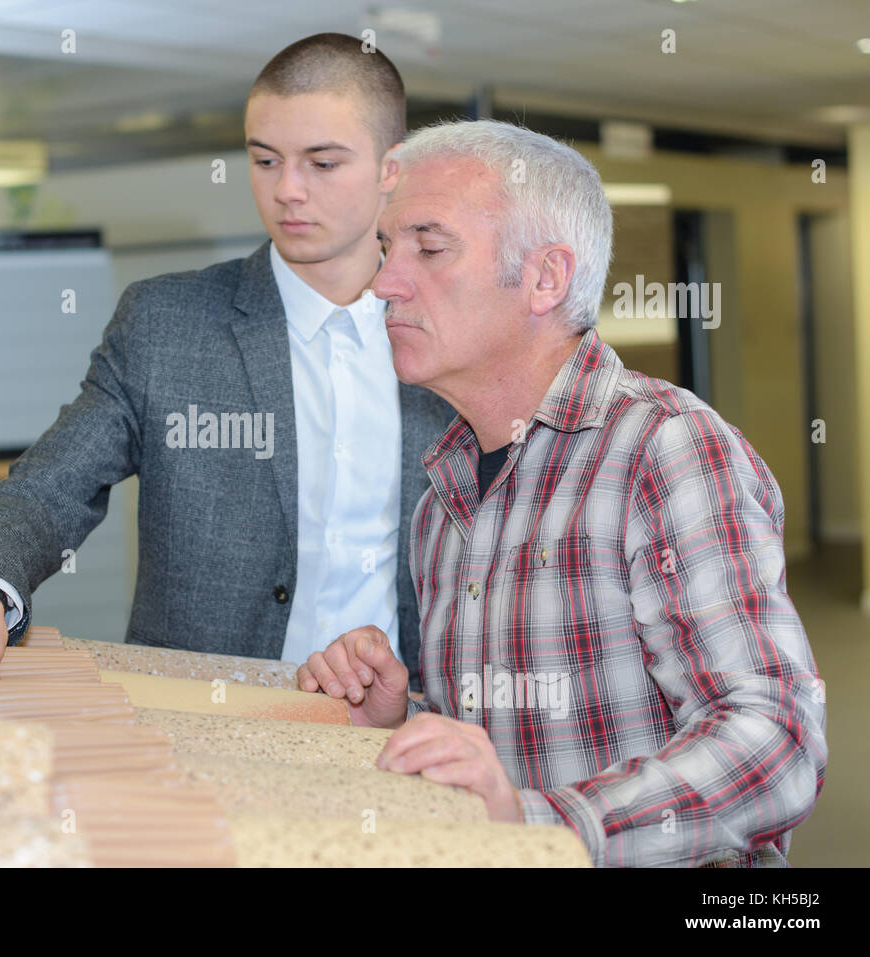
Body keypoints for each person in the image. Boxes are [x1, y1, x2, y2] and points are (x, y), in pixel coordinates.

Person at [0, 34, 454, 693]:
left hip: (399, 736)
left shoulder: (452, 334)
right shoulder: (167, 324)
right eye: (265, 159)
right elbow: (49, 488)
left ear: (392, 168)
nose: (288, 191)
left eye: (323, 163)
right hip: (203, 726)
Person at [296, 119, 827, 867]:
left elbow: (776, 741)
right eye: (387, 248)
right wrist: (400, 719)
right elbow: (509, 745)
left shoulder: (664, 449)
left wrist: (549, 828)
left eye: (429, 245)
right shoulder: (440, 497)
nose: (383, 281)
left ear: (546, 279)